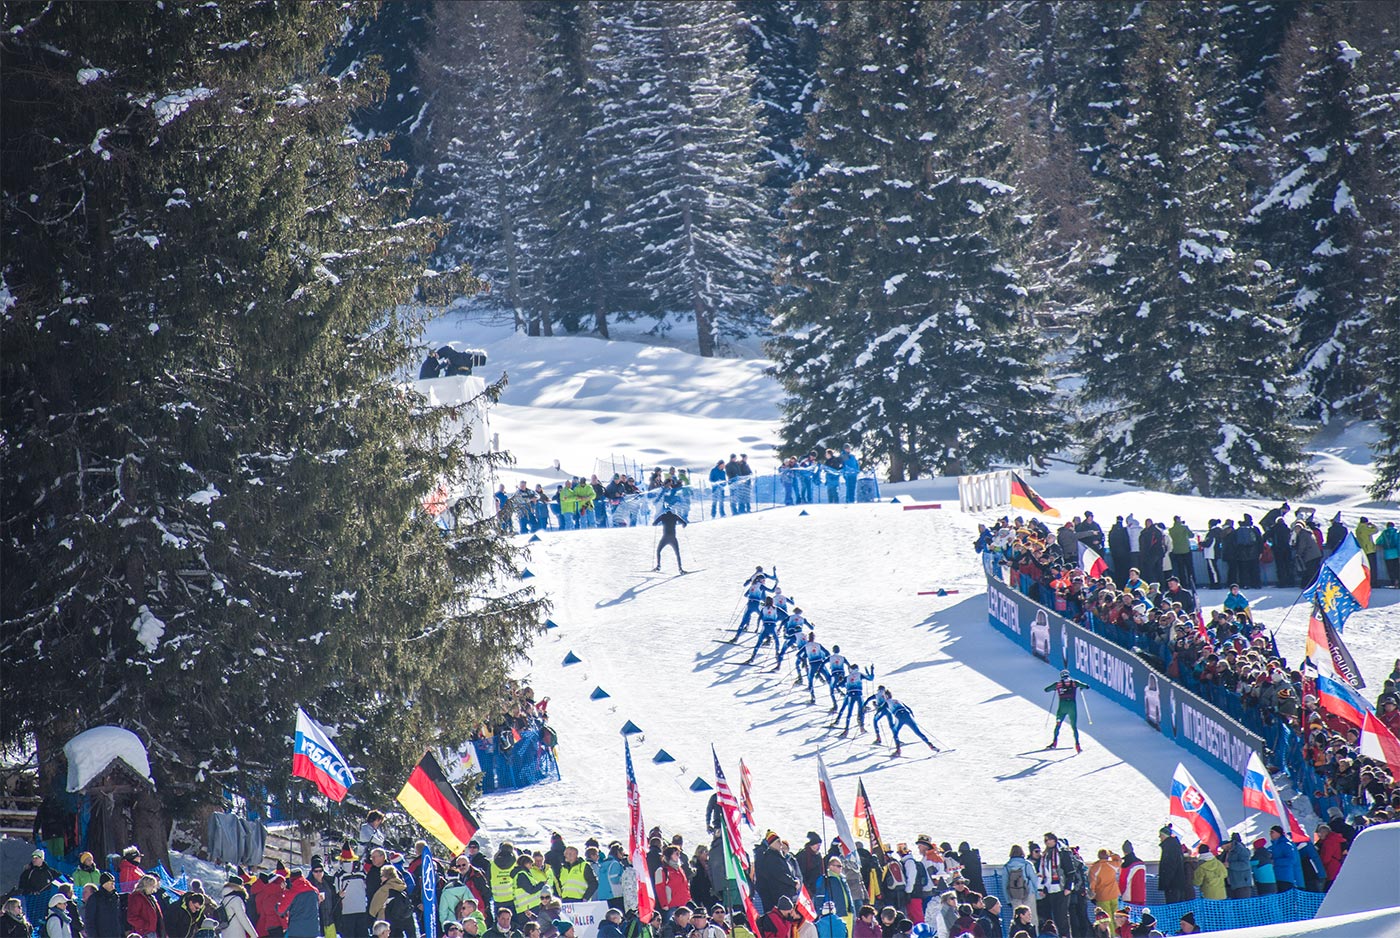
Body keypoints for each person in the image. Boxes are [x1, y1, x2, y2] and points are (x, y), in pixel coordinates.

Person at [1035, 834, 1072, 938]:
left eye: (1049, 840)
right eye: (1045, 840)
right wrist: (1040, 888)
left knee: (1062, 916)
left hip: (1061, 888)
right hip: (1050, 889)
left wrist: (1068, 887)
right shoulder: (1045, 855)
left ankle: (1065, 935)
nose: (1047, 842)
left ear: (1054, 840)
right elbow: (1042, 873)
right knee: (1054, 916)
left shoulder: (1062, 853)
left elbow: (1070, 871)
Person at [1045, 671, 1090, 752]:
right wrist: (1081, 687)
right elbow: (1087, 686)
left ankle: (1054, 743)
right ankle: (1077, 745)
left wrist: (1055, 689)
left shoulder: (1057, 684)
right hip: (1072, 707)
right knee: (1074, 727)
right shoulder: (1074, 683)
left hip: (1062, 707)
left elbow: (1046, 690)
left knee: (1058, 725)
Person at [1002, 846, 1038, 928]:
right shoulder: (1027, 864)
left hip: (1014, 895)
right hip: (1028, 893)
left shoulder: (1007, 866)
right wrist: (1038, 895)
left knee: (1017, 919)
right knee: (1031, 918)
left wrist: (1008, 900)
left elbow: (1004, 885)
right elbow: (1034, 880)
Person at [1156, 828, 1191, 904]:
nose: (1159, 837)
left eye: (1160, 835)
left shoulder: (1169, 848)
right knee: (1178, 907)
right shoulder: (1175, 845)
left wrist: (1165, 882)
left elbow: (1170, 866)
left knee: (1172, 905)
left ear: (1164, 836)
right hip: (1178, 883)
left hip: (1172, 884)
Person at [1087, 850, 1120, 920]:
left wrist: (1092, 897)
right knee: (1116, 917)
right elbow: (1118, 859)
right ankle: (1117, 930)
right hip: (1114, 894)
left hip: (1102, 896)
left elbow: (1092, 884)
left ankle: (1110, 931)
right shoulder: (1113, 865)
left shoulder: (1094, 868)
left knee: (1107, 919)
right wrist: (1112, 854)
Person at [653, 508, 688, 574]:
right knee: (677, 553)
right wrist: (683, 525)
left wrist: (658, 523)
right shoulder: (675, 516)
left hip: (665, 538)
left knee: (658, 551)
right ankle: (680, 569)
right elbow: (684, 523)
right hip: (673, 538)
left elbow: (654, 523)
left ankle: (658, 566)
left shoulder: (663, 516)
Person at [1222, 834, 1254, 899]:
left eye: (1222, 846)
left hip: (1242, 884)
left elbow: (1245, 864)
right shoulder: (1226, 852)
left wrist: (1229, 865)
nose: (1221, 848)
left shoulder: (1240, 850)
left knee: (1243, 906)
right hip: (1232, 884)